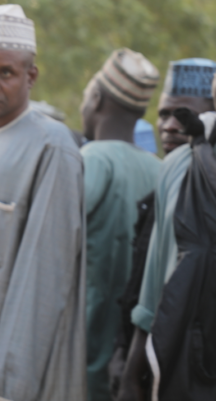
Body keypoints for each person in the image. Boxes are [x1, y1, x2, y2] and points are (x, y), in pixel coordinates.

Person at [0, 4, 86, 401]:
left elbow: (41, 282)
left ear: (31, 76)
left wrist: (8, 389)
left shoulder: (51, 147)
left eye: (4, 72)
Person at [118, 59, 216, 401]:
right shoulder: (174, 169)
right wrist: (131, 372)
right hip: (181, 354)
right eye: (163, 115)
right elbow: (152, 287)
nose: (171, 126)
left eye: (183, 115)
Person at [78, 49, 162, 401]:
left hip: (86, 354)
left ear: (95, 98)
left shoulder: (90, 160)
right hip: (135, 355)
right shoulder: (160, 168)